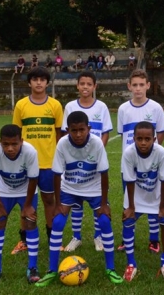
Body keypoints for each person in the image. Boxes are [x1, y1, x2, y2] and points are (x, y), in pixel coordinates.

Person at [35, 111, 123, 286]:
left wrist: (104, 203)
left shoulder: (96, 143)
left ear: (88, 128)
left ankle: (110, 268)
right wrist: (59, 203)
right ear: (67, 130)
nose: (78, 134)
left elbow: (104, 174)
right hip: (70, 187)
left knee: (105, 221)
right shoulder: (62, 143)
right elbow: (57, 174)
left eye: (81, 130)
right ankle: (52, 270)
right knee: (58, 222)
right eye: (73, 130)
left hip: (94, 187)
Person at [0, 124, 40, 284]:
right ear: (0, 142)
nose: (10, 148)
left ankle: (32, 268)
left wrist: (27, 206)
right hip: (4, 191)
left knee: (30, 222)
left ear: (22, 141)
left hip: (27, 190)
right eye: (6, 144)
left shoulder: (30, 152)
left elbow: (33, 179)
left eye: (14, 144)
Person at [12, 67, 63, 255]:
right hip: (26, 164)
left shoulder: (55, 105)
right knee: (27, 203)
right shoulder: (21, 105)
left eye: (42, 79)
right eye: (35, 79)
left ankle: (53, 240)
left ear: (47, 83)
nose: (39, 83)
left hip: (48, 163)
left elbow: (59, 135)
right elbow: (16, 135)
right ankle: (24, 239)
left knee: (50, 200)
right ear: (29, 83)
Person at [60, 71, 113, 253]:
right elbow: (65, 132)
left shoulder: (102, 107)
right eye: (82, 83)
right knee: (75, 200)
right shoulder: (69, 106)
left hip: (94, 160)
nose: (85, 87)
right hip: (74, 159)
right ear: (77, 85)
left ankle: (98, 236)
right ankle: (77, 237)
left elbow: (105, 132)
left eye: (89, 84)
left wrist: (97, 152)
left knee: (97, 199)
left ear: (94, 86)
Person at [117, 69, 164, 252]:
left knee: (153, 199)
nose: (138, 89)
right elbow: (123, 135)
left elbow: (161, 133)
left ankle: (154, 240)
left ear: (148, 85)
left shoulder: (155, 108)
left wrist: (150, 153)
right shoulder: (123, 109)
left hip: (151, 164)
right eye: (134, 85)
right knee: (128, 202)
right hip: (130, 166)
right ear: (129, 86)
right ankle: (126, 238)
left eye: (141, 85)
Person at [121, 121, 164, 281]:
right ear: (134, 139)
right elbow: (129, 180)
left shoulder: (160, 152)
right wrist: (131, 206)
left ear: (154, 139)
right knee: (127, 221)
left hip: (156, 195)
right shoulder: (129, 153)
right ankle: (131, 263)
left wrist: (163, 205)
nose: (143, 143)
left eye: (147, 139)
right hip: (134, 196)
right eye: (139, 139)